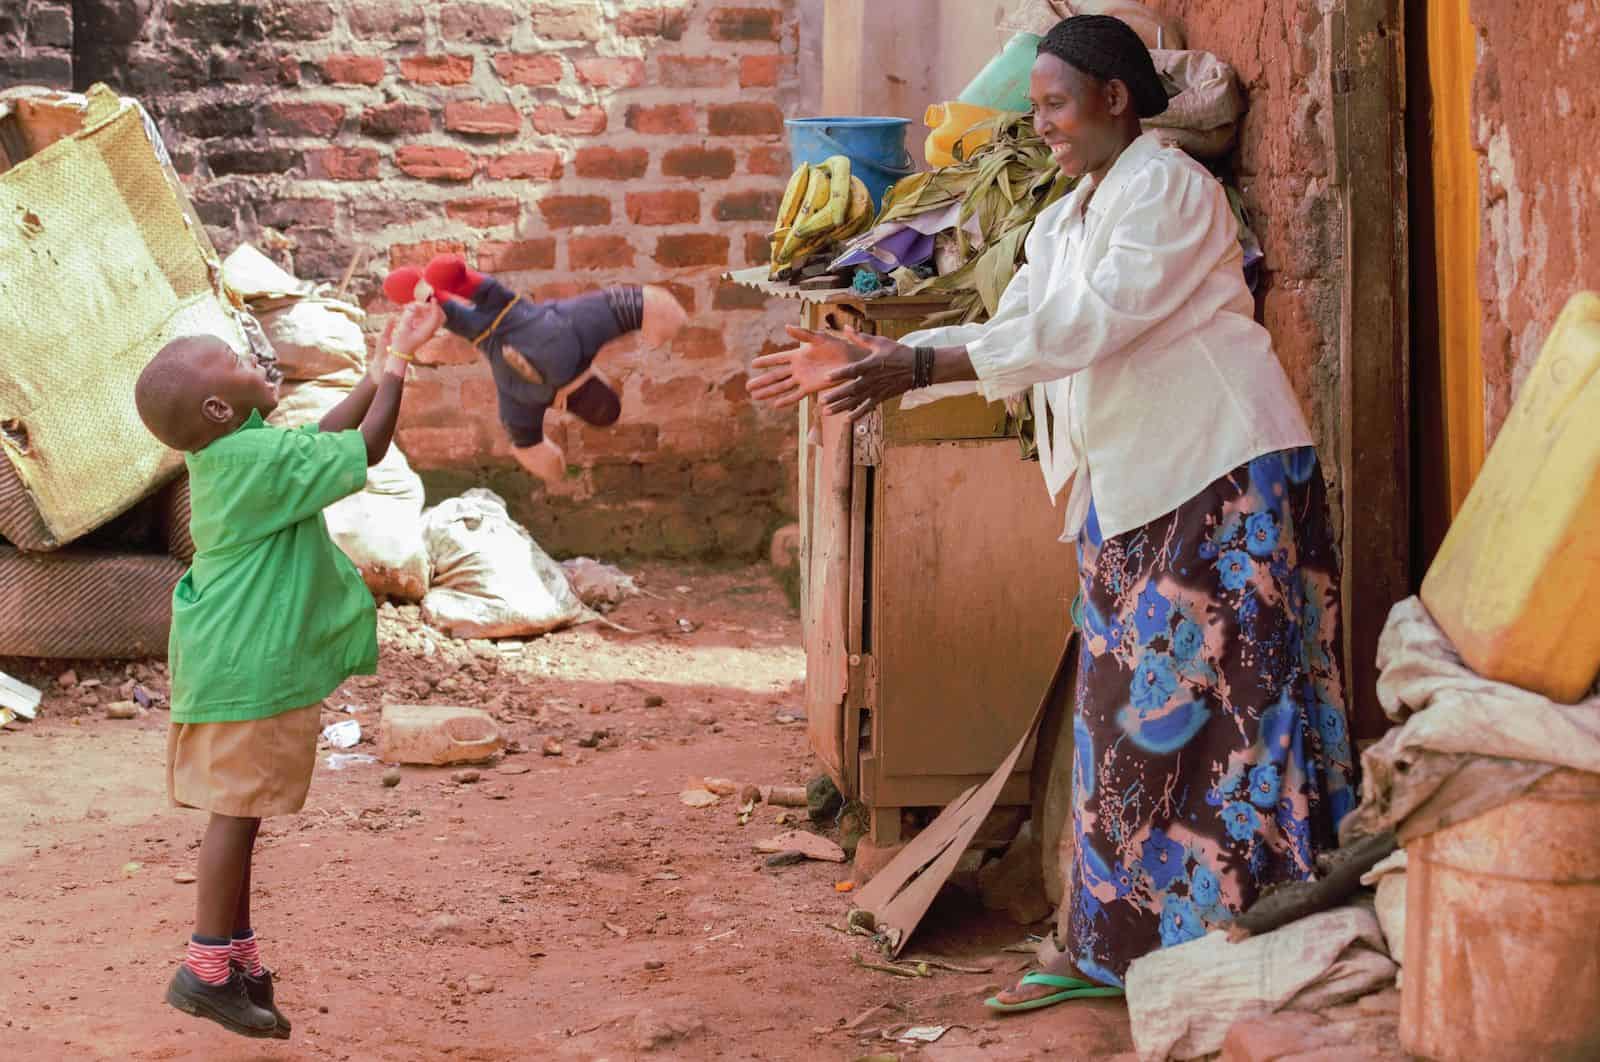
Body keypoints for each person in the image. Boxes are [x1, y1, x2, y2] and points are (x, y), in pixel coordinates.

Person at [748, 14, 1357, 1011]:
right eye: (1034, 110)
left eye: (1055, 106)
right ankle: (1119, 947)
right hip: (1141, 487)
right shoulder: (1072, 213)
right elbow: (1021, 324)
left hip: (1217, 473)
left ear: (1115, 98)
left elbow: (1088, 324)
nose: (1043, 126)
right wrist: (887, 362)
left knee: (1236, 721)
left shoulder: (1165, 192)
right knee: (1132, 726)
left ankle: (1245, 937)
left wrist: (919, 364)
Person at [133, 300, 443, 1038]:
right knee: (235, 816)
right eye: (239, 364)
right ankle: (206, 970)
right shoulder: (248, 460)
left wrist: (378, 362)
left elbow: (320, 439)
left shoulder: (239, 452)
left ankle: (236, 955)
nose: (259, 363)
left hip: (231, 656)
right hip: (251, 662)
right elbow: (364, 450)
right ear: (217, 404)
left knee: (241, 810)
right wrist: (398, 368)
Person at [384, 254, 688, 485]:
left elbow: (633, 304)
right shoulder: (523, 403)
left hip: (510, 308)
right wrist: (551, 464)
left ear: (600, 382)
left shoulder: (580, 335)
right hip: (484, 338)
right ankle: (423, 291)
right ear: (572, 409)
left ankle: (457, 277)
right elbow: (526, 441)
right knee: (457, 319)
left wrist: (660, 323)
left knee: (487, 292)